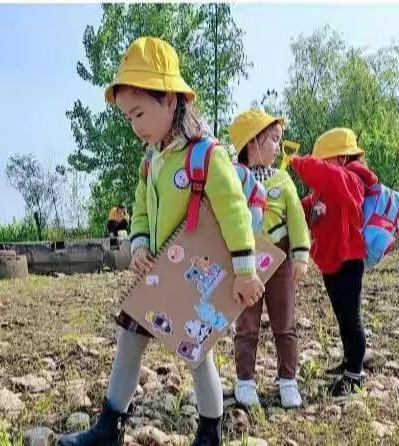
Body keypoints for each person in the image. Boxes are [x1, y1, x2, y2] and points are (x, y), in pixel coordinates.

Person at [58, 36, 264, 446]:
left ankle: (210, 431)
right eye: (127, 117)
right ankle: (109, 426)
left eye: (139, 113)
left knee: (197, 353)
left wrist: (244, 272)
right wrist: (138, 246)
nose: (134, 126)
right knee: (129, 340)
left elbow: (234, 212)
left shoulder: (205, 155)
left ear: (170, 100)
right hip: (155, 274)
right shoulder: (152, 162)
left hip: (194, 275)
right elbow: (141, 213)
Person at [229, 110, 310, 408]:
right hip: (246, 263)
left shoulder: (282, 179)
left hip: (279, 262)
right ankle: (245, 380)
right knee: (246, 324)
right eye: (273, 140)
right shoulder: (234, 181)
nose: (278, 146)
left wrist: (300, 254)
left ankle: (288, 379)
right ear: (252, 143)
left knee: (284, 322)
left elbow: (297, 218)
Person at [289, 127, 378, 397]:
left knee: (351, 317)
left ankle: (355, 375)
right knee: (342, 316)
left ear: (340, 159)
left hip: (349, 261)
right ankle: (350, 360)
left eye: (322, 160)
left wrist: (298, 161)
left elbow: (329, 177)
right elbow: (304, 207)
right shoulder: (326, 187)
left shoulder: (350, 180)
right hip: (331, 261)